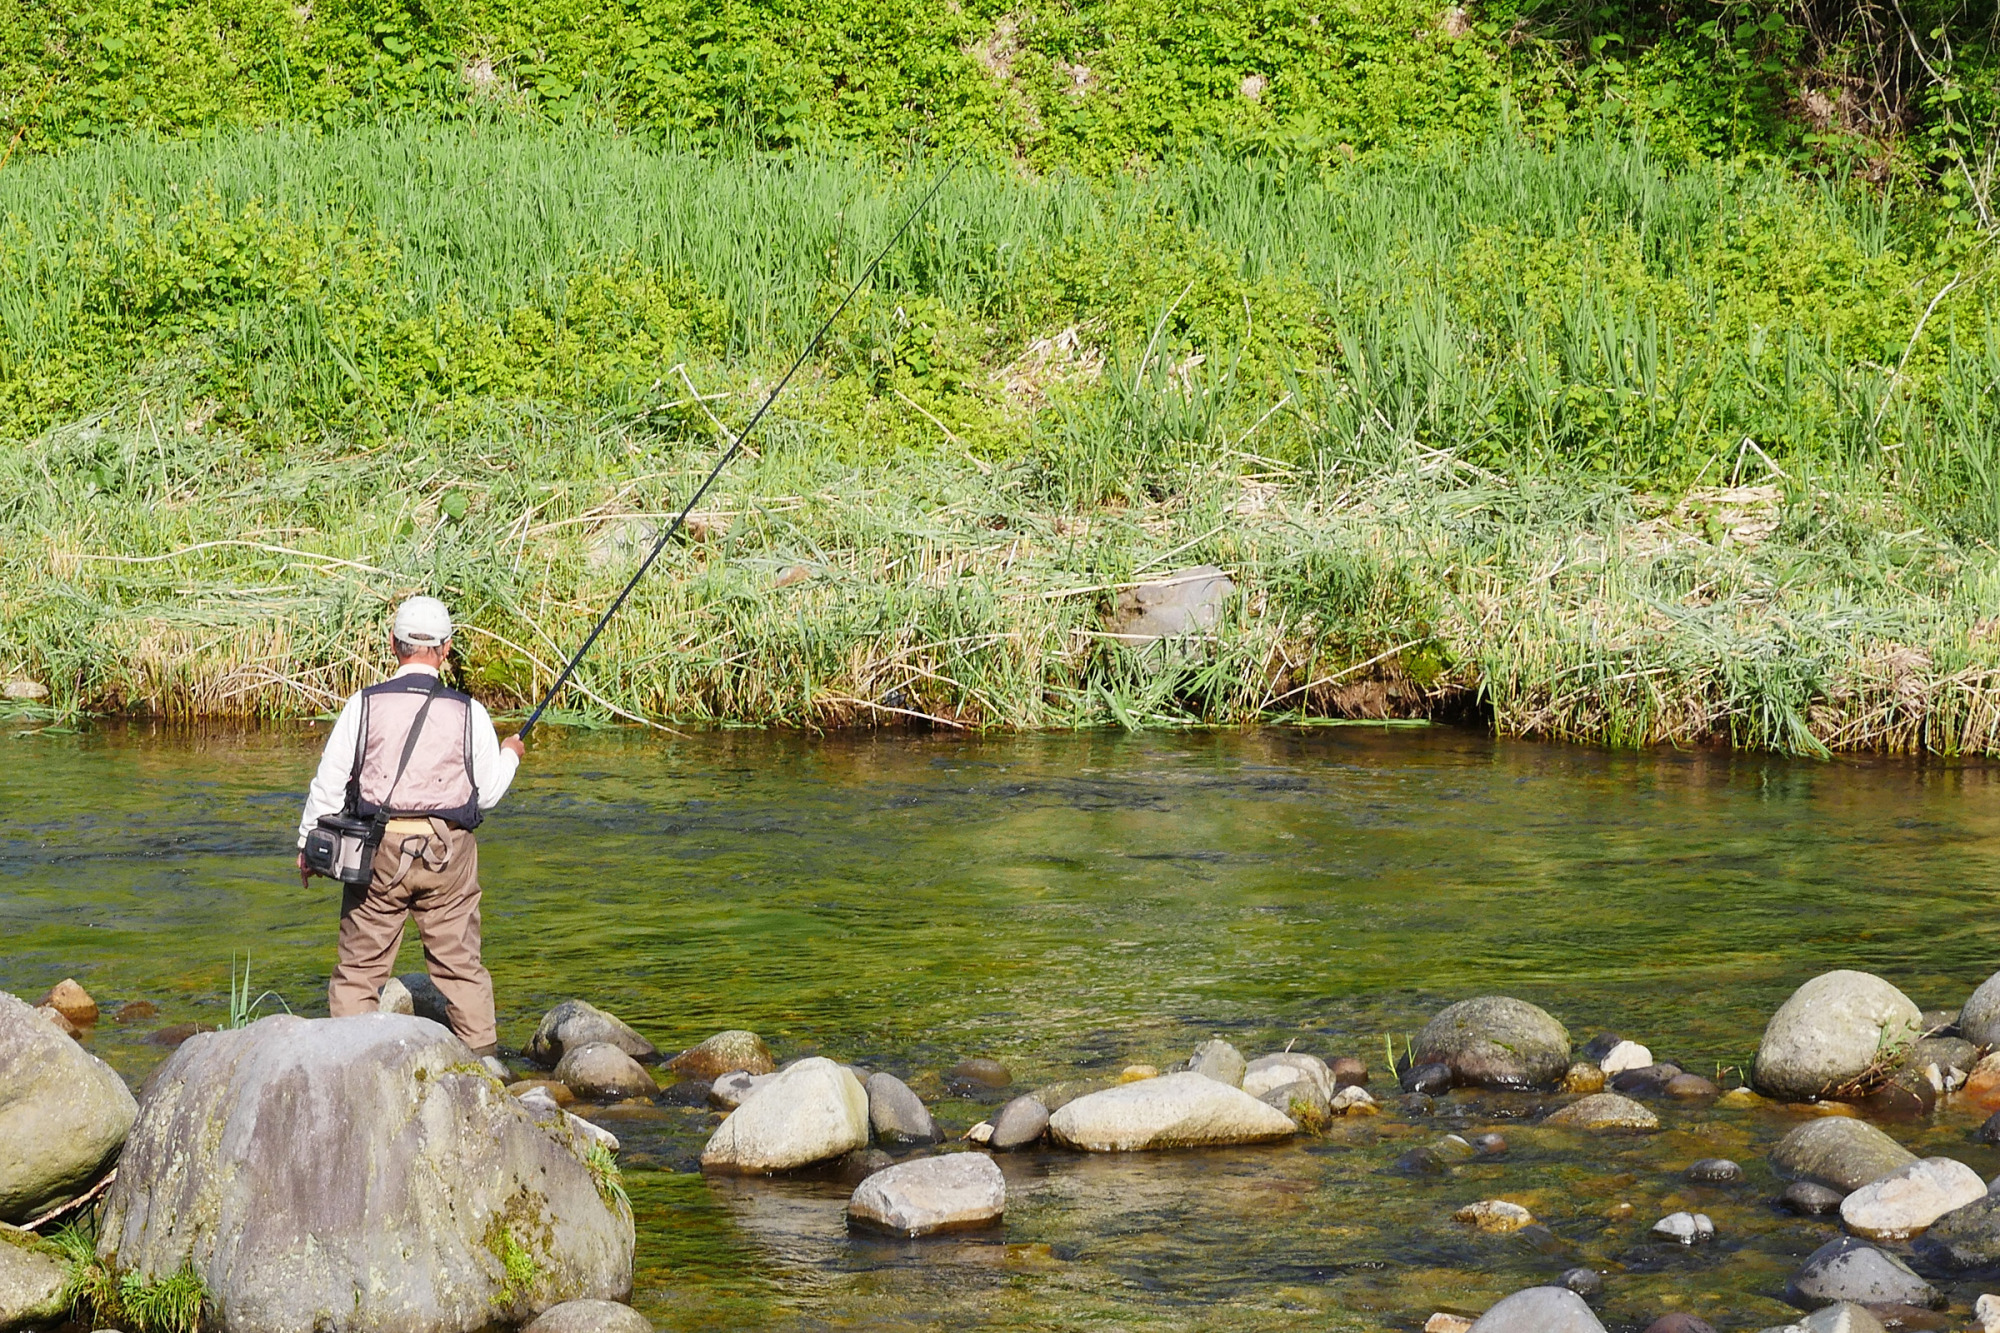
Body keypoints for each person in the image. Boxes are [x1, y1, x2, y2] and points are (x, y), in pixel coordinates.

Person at [296, 596, 525, 1072]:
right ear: (445, 649)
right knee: (460, 965)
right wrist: (511, 754)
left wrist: (307, 847)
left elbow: (329, 782)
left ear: (392, 645)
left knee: (360, 969)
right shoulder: (471, 712)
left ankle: (352, 1069)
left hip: (375, 854)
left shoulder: (363, 705)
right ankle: (485, 1067)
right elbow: (487, 796)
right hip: (448, 856)